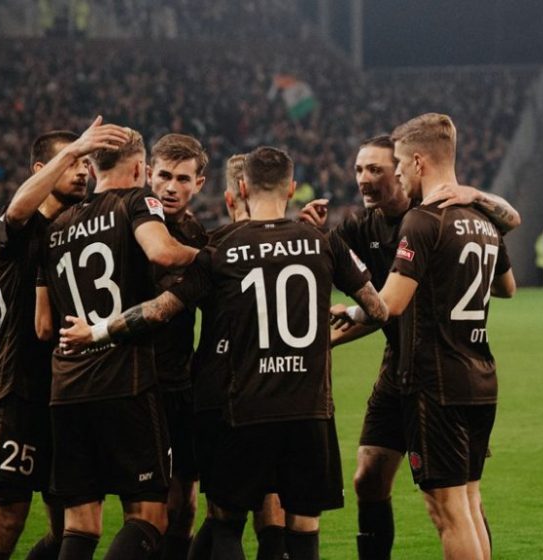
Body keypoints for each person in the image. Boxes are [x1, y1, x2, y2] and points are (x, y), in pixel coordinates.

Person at [60, 146, 389, 560]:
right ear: (291, 188)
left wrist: (95, 332)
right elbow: (380, 310)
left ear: (242, 188)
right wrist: (345, 316)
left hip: (244, 408)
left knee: (226, 521)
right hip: (310, 411)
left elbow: (159, 311)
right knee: (303, 526)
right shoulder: (323, 242)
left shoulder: (220, 249)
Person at [301, 134, 521, 560]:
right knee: (370, 476)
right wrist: (310, 234)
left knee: (453, 503)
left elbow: (389, 306)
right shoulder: (361, 226)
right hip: (407, 365)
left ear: (406, 168)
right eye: (358, 169)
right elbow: (384, 308)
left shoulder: (426, 219)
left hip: (431, 369)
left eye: (379, 169)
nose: (364, 179)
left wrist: (354, 314)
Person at [37, 128, 199, 560]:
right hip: (124, 381)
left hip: (66, 387)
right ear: (141, 168)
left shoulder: (56, 225)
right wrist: (209, 259)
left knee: (80, 524)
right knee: (149, 516)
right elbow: (162, 252)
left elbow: (43, 324)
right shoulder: (136, 201)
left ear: (91, 168)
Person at [0, 117, 130, 560]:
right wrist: (76, 146)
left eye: (85, 164)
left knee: (70, 529)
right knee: (7, 521)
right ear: (41, 170)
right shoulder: (19, 231)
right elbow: (17, 209)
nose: (82, 171)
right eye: (71, 163)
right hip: (17, 391)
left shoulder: (76, 231)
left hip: (67, 392)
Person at [187, 153, 288, 560]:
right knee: (272, 506)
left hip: (218, 389)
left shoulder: (211, 248)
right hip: (280, 387)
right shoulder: (297, 243)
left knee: (224, 514)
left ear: (232, 196)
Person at [146, 133, 209, 560]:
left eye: (182, 179)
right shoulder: (133, 223)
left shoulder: (195, 232)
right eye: (164, 176)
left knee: (184, 504)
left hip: (181, 385)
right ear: (148, 174)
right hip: (139, 383)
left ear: (199, 183)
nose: (171, 187)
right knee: (148, 510)